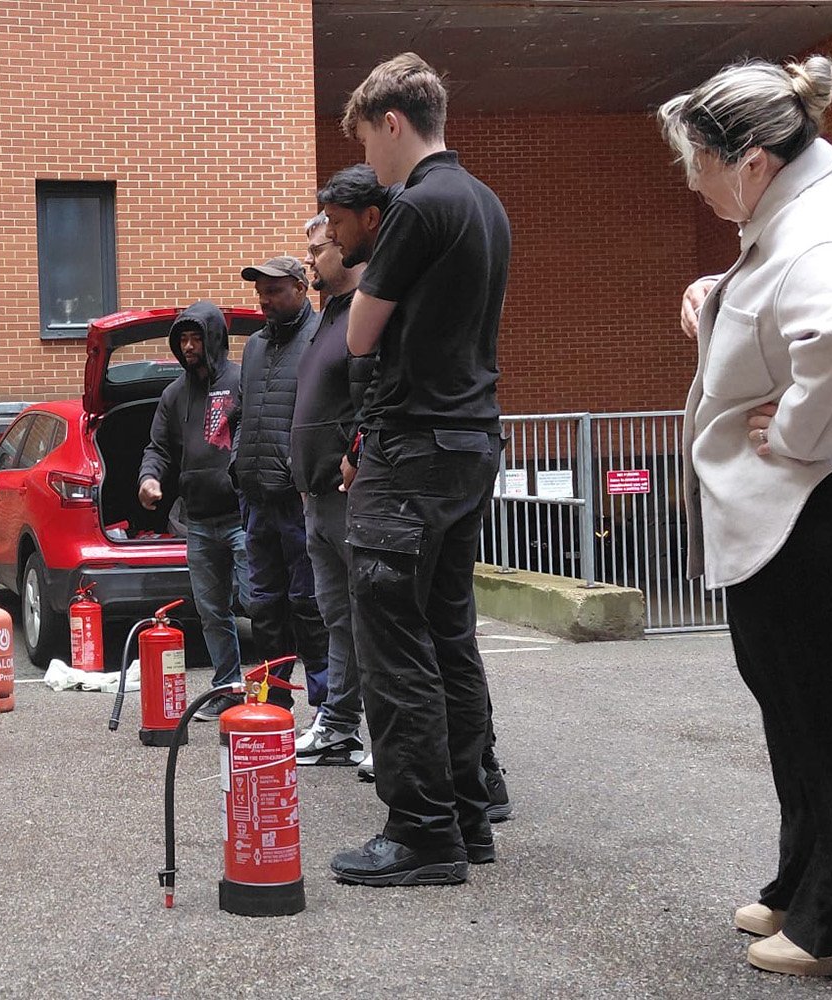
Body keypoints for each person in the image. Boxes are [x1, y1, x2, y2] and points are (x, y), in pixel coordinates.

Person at [659, 55, 832, 978]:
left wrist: (794, 428)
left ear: (752, 161)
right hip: (794, 518)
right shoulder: (799, 213)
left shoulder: (820, 229)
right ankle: (806, 883)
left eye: (699, 163)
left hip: (815, 513)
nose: (692, 183)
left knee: (828, 717)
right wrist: (721, 301)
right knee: (797, 712)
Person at [328, 53, 510, 888]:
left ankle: (421, 834)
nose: (370, 160)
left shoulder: (415, 205)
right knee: (448, 636)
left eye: (369, 139)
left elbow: (358, 335)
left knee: (392, 640)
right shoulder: (486, 202)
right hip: (471, 442)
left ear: (393, 122)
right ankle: (468, 820)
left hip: (410, 452)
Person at [289, 169, 386, 767]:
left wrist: (353, 457)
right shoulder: (326, 316)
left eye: (317, 248)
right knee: (337, 618)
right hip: (315, 498)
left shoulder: (364, 313)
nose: (310, 260)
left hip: (350, 493)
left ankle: (388, 736)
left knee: (371, 617)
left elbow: (372, 397)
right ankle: (340, 725)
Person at [137, 301, 250, 721]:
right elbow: (158, 448)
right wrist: (149, 478)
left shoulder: (241, 381)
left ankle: (271, 692)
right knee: (212, 612)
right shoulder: (174, 395)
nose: (188, 347)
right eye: (182, 339)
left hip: (242, 517)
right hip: (199, 522)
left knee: (258, 602)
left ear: (214, 339)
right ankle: (227, 690)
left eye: (195, 339)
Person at [234, 256, 330, 712]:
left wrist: (302, 470)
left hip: (299, 499)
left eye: (273, 291)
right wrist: (237, 462)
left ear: (300, 288)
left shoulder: (319, 335)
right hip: (257, 498)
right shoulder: (254, 347)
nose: (264, 300)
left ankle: (328, 709)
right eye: (260, 293)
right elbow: (241, 413)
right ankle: (273, 702)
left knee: (309, 604)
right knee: (265, 606)